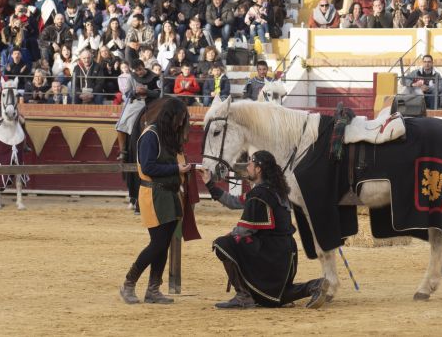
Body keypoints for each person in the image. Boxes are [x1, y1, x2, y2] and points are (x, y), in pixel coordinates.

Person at [201, 150, 329, 309]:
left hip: (272, 255)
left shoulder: (259, 194)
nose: (247, 166)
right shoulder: (275, 190)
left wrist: (230, 235)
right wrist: (209, 184)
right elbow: (234, 202)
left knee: (223, 244)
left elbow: (243, 231)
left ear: (258, 169)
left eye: (250, 164)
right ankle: (313, 286)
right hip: (286, 255)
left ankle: (243, 296)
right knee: (271, 297)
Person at [119, 97, 191, 305]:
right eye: (180, 118)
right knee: (158, 243)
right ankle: (128, 283)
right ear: (171, 116)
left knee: (164, 243)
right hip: (153, 194)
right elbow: (148, 168)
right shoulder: (151, 135)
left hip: (168, 194)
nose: (180, 123)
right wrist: (177, 169)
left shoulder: (166, 136)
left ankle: (153, 290)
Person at [115, 59, 160, 160]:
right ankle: (123, 151)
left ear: (143, 66)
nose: (139, 72)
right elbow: (126, 94)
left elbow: (158, 93)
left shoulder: (154, 77)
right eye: (136, 70)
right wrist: (135, 92)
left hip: (149, 102)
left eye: (140, 69)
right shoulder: (132, 77)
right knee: (121, 123)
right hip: (135, 102)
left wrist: (146, 91)